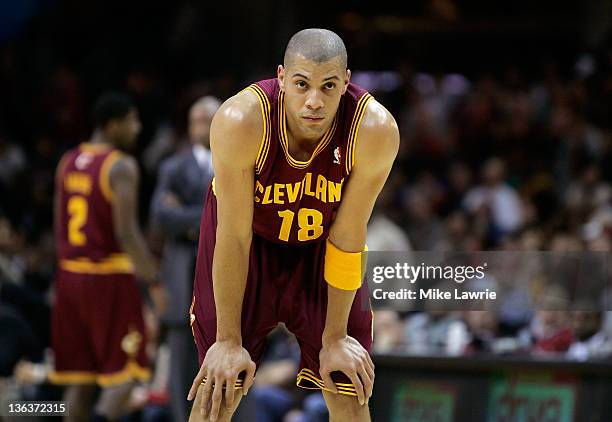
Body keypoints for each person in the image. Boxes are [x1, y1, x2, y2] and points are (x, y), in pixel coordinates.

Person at [188, 28, 399, 422]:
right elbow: (233, 235)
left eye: (329, 86)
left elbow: (349, 234)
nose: (314, 101)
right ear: (282, 78)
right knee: (220, 384)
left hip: (321, 247)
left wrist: (335, 337)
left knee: (346, 380)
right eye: (301, 84)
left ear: (347, 83)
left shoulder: (374, 131)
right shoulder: (241, 120)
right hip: (249, 245)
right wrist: (228, 341)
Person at [49, 92, 165, 422]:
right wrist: (154, 283)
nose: (138, 127)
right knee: (127, 376)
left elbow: (59, 230)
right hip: (107, 278)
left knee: (79, 380)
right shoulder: (120, 165)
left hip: (69, 275)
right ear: (112, 125)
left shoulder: (67, 161)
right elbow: (127, 233)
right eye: (132, 120)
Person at [151, 96, 220, 422]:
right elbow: (161, 216)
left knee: (224, 365)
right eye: (196, 120)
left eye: (208, 119)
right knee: (180, 371)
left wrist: (188, 216)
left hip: (222, 273)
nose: (201, 127)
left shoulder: (238, 163)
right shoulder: (173, 166)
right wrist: (208, 219)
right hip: (182, 274)